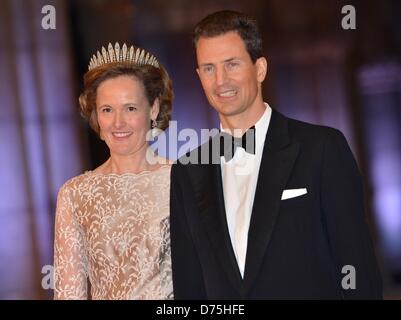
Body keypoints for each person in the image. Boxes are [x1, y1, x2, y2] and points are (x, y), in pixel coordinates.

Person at [170, 10, 382, 299]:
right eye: (209, 68)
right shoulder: (187, 169)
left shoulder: (322, 149)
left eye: (231, 65)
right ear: (198, 76)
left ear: (259, 69)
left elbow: (357, 269)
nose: (220, 81)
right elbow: (190, 286)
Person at [54, 43, 174, 299]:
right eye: (107, 110)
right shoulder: (75, 194)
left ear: (153, 109)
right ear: (96, 115)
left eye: (130, 108)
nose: (118, 123)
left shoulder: (182, 181)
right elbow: (69, 293)